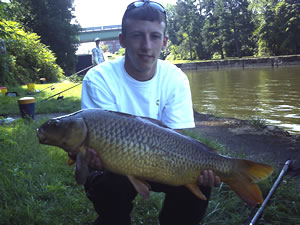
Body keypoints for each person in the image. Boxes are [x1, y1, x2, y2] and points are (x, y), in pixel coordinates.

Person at [80, 1, 221, 225]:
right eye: (137, 36)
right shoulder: (99, 78)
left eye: (155, 37)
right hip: (114, 163)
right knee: (110, 184)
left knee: (200, 177)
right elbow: (96, 140)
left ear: (164, 42)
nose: (147, 46)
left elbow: (176, 142)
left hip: (162, 162)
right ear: (122, 40)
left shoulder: (175, 78)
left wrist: (197, 167)